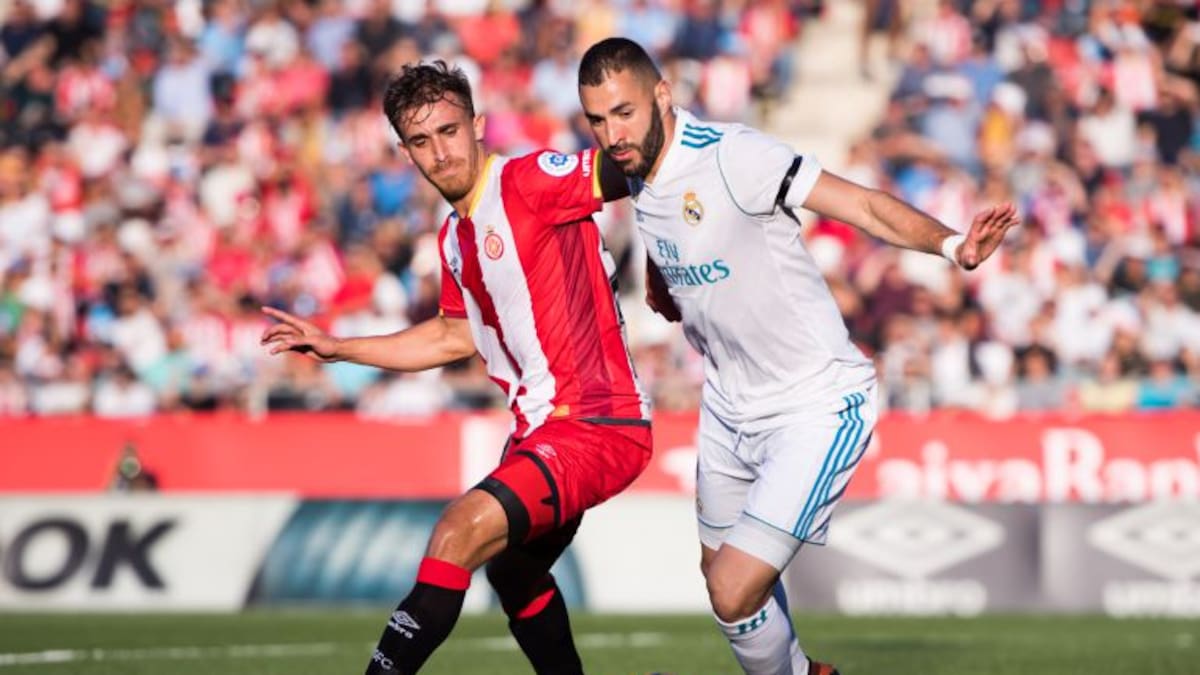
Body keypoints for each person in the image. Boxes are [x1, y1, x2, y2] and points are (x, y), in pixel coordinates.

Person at [577, 38, 1019, 675]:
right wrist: (661, 280)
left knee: (734, 588)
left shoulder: (736, 156)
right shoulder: (635, 169)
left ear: (663, 96)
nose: (612, 133)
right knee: (720, 580)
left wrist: (953, 246)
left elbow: (863, 205)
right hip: (729, 403)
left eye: (623, 112)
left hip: (814, 402)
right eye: (597, 118)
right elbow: (668, 226)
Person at [261, 61, 653, 675]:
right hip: (541, 429)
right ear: (405, 152)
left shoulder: (527, 180)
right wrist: (340, 347)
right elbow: (451, 337)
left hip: (596, 422)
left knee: (456, 533)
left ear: (479, 125)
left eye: (449, 131)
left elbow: (632, 165)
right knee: (514, 573)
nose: (440, 153)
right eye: (422, 141)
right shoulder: (454, 236)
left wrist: (674, 245)